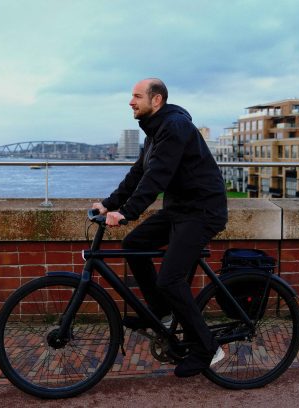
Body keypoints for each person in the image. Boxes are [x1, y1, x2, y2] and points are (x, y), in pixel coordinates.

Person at [93, 78, 228, 378]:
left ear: (157, 100)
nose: (131, 101)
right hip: (179, 211)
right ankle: (163, 315)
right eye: (131, 96)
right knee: (133, 245)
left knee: (170, 279)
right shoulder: (154, 132)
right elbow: (138, 173)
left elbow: (158, 177)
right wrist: (108, 204)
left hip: (202, 211)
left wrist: (126, 213)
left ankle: (207, 348)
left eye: (137, 96)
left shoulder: (175, 126)